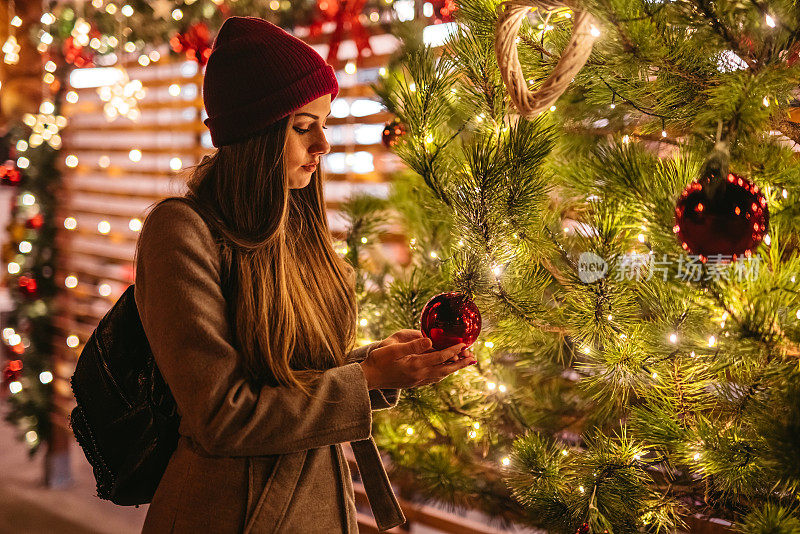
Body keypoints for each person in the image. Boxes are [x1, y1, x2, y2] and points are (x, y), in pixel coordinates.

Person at [133, 16, 476, 533]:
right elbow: (224, 415)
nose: (324, 144)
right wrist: (367, 379)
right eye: (302, 127)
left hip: (319, 504)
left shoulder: (298, 227)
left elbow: (294, 370)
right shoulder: (181, 233)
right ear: (255, 133)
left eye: (325, 122)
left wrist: (377, 362)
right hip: (230, 515)